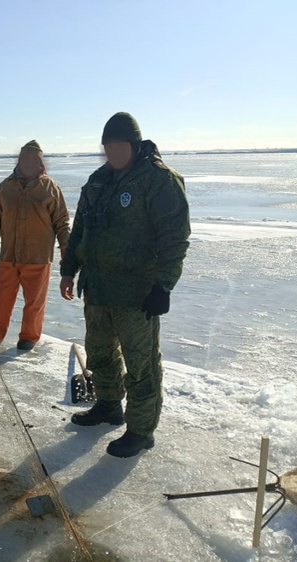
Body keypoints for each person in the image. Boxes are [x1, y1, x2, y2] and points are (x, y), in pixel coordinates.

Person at [60, 113, 190, 458]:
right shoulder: (97, 181)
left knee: (141, 364)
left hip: (137, 293)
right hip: (98, 288)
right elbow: (80, 231)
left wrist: (163, 286)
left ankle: (141, 431)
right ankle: (108, 406)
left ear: (133, 145)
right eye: (108, 147)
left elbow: (175, 237)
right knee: (100, 353)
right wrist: (68, 269)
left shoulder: (158, 180)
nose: (113, 153)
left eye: (119, 146)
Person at [0, 140, 70, 351]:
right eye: (25, 159)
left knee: (34, 302)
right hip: (8, 256)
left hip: (38, 257)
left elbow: (62, 223)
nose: (29, 164)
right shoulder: (5, 187)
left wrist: (66, 250)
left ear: (40, 163)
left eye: (34, 160)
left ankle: (29, 337)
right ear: (20, 161)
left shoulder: (50, 188)